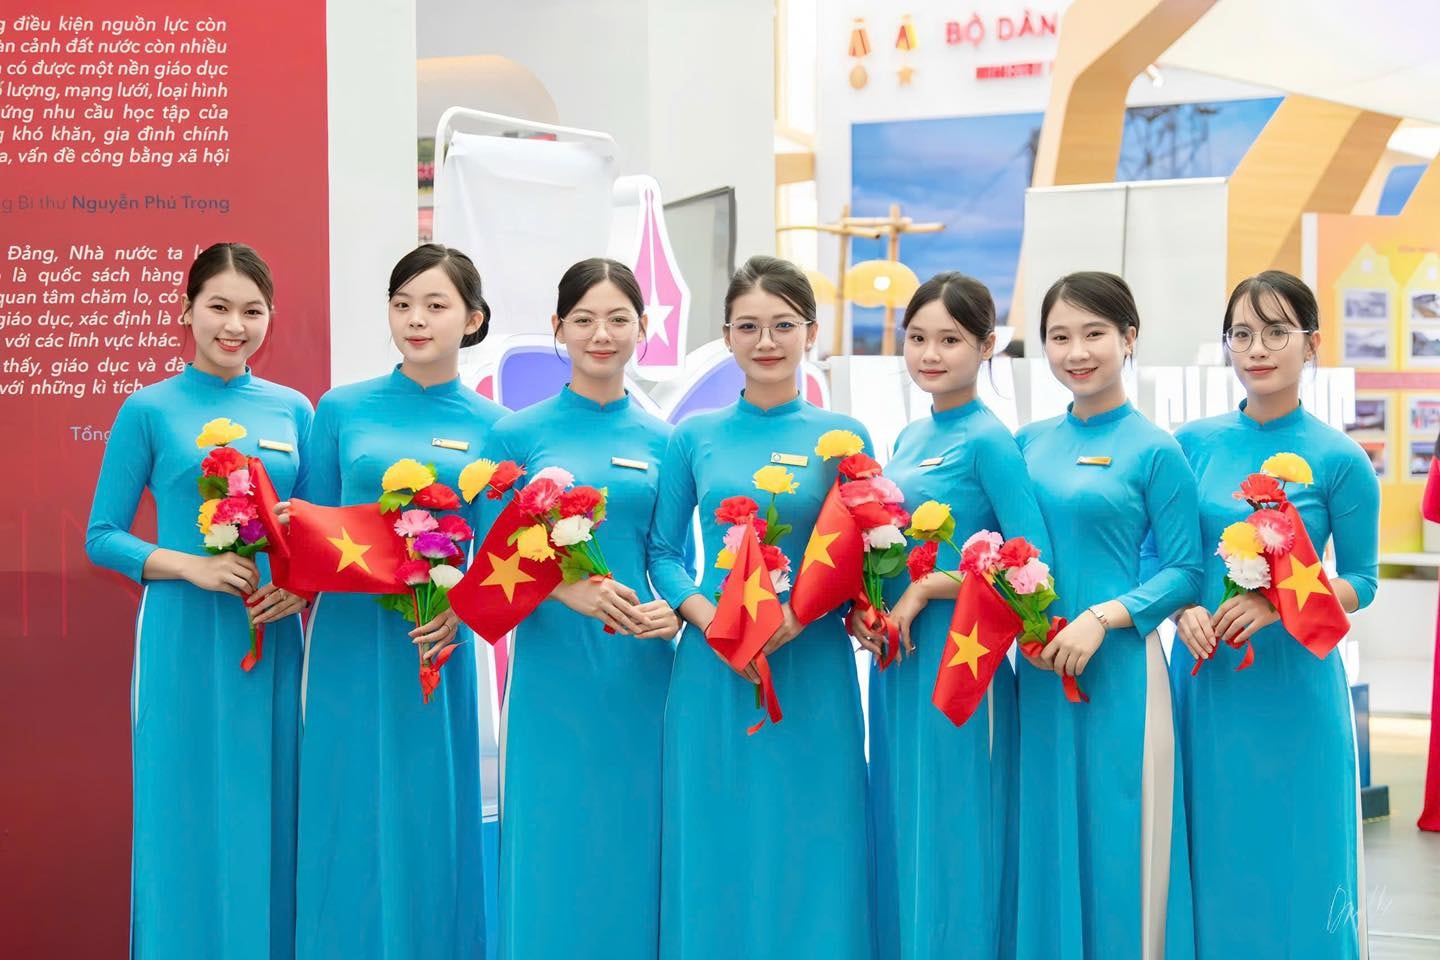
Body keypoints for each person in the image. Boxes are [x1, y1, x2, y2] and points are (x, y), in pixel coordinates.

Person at [86, 242, 312, 958]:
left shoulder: (294, 409)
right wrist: (190, 567)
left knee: (272, 803)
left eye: (252, 310)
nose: (234, 325)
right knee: (180, 804)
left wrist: (299, 583)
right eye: (218, 306)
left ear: (270, 318)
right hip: (181, 635)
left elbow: (315, 526)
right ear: (186, 311)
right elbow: (102, 536)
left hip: (272, 637)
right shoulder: (149, 409)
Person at [647, 255, 874, 958]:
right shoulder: (694, 435)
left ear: (811, 331)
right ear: (726, 336)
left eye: (782, 325)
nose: (766, 341)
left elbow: (864, 551)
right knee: (716, 829)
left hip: (811, 662)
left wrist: (798, 617)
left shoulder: (844, 437)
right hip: (714, 662)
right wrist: (712, 620)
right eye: (748, 326)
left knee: (814, 829)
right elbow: (664, 553)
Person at [292, 243, 503, 960]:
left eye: (436, 305)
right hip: (348, 636)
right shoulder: (340, 408)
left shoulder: (496, 426)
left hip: (437, 639)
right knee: (344, 800)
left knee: (429, 806)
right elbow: (311, 523)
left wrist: (463, 609)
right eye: (403, 303)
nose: (416, 319)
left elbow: (500, 549)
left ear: (472, 319)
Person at [1169, 271, 1380, 959]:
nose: (1257, 348)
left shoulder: (1340, 458)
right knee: (1211, 847)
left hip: (1296, 687)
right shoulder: (1191, 445)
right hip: (1206, 680)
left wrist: (1278, 602)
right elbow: (1163, 555)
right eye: (1241, 334)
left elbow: (1363, 581)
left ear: (1312, 343)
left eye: (1276, 332)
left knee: (1300, 850)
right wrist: (1180, 609)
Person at [854, 272, 1050, 960]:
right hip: (901, 661)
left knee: (959, 823)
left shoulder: (990, 441)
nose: (930, 354)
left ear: (987, 346)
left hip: (963, 663)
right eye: (917, 338)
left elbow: (1030, 561)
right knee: (909, 818)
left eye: (950, 340)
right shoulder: (910, 437)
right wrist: (872, 602)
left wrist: (922, 592)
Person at [489, 258, 679, 958]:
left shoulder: (667, 441)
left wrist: (678, 612)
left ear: (643, 328)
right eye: (585, 319)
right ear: (558, 328)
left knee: (635, 838)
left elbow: (670, 555)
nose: (602, 334)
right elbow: (486, 560)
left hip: (640, 667)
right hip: (552, 672)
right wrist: (560, 588)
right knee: (551, 838)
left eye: (618, 319)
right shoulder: (516, 435)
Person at [1014, 271, 1199, 960]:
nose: (1076, 352)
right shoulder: (1026, 443)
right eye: (1059, 337)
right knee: (1044, 830)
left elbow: (1185, 571)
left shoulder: (1156, 449)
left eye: (1093, 333)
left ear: (1128, 338)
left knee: (1122, 834)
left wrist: (1104, 617)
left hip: (1121, 672)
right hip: (1037, 670)